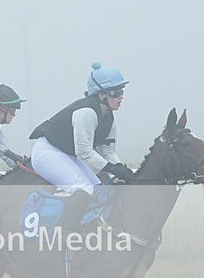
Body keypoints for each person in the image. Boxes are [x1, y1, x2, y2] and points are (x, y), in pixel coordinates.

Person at [29, 62, 134, 235]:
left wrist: (121, 168)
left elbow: (107, 152)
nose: (120, 97)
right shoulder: (86, 112)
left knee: (98, 187)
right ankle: (66, 233)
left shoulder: (109, 118)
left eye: (121, 91)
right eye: (115, 93)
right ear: (101, 95)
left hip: (67, 153)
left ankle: (89, 226)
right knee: (83, 189)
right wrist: (111, 168)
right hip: (47, 152)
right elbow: (84, 152)